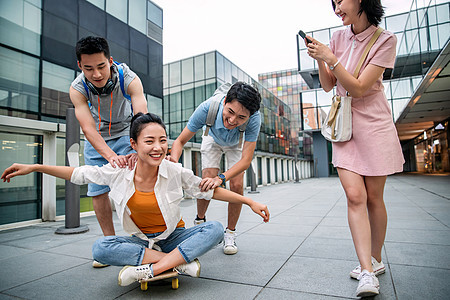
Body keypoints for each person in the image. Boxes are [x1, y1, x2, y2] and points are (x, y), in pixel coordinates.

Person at [1, 113, 270, 287]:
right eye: (149, 141)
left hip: (173, 235)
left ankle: (149, 269)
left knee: (214, 229)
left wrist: (249, 203)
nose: (158, 147)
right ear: (134, 144)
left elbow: (206, 189)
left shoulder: (173, 170)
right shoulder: (119, 172)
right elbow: (78, 173)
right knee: (100, 248)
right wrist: (36, 167)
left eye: (163, 141)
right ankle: (178, 262)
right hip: (140, 240)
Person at [304, 0, 404, 297]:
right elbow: (327, 85)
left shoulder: (385, 40)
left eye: (340, 1)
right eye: (332, 4)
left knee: (374, 198)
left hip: (374, 124)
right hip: (343, 125)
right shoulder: (337, 37)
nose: (336, 9)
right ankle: (367, 273)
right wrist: (321, 58)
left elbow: (360, 87)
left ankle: (374, 260)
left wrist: (330, 57)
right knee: (354, 195)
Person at [168, 81, 261, 255]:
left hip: (236, 142)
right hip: (212, 137)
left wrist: (221, 178)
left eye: (241, 118)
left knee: (237, 185)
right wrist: (173, 160)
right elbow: (180, 141)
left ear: (250, 116)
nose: (232, 120)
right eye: (230, 112)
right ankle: (199, 222)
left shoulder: (255, 119)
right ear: (225, 101)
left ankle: (230, 233)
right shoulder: (207, 108)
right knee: (207, 180)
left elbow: (246, 160)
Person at [69, 36, 148, 238]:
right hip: (97, 138)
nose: (96, 74)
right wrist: (111, 156)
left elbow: (141, 116)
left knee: (138, 184)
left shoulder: (129, 78)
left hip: (126, 133)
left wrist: (137, 148)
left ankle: (142, 236)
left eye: (101, 66)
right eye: (88, 68)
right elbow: (88, 130)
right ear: (80, 65)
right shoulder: (77, 89)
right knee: (98, 191)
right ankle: (109, 241)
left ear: (110, 61)